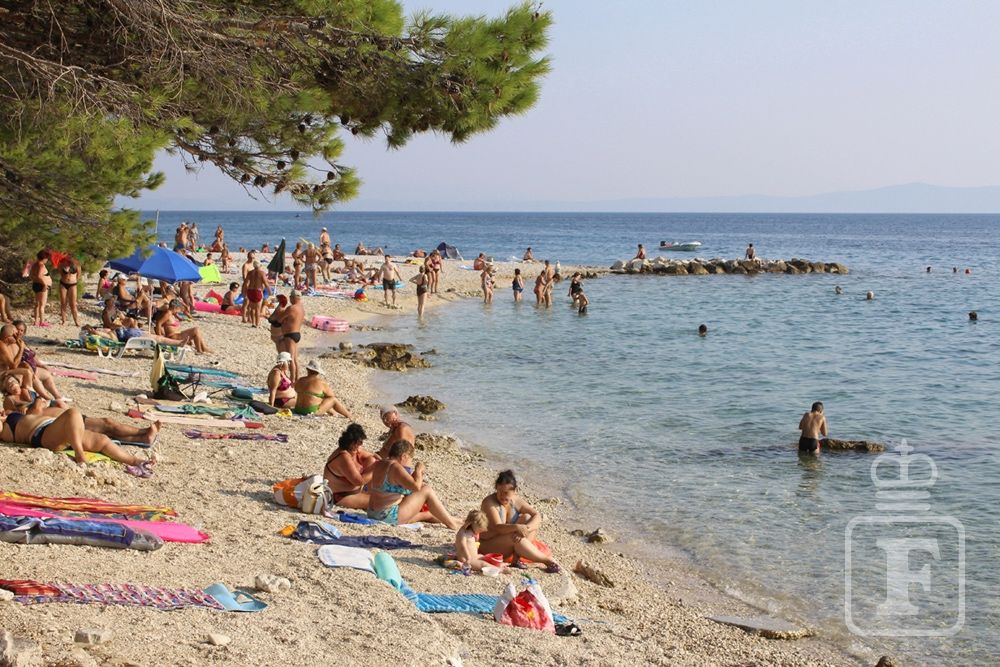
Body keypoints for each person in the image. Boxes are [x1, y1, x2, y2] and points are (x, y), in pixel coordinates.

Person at [0, 405, 154, 474]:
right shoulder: (7, 427)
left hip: (55, 428)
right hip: (42, 434)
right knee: (73, 413)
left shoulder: (11, 415)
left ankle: (134, 461)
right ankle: (79, 454)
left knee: (102, 440)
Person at [478, 470, 561, 573]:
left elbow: (537, 515)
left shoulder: (516, 500)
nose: (502, 496)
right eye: (499, 492)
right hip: (488, 545)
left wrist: (525, 530)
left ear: (515, 491)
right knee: (514, 537)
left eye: (506, 493)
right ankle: (547, 561)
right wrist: (517, 528)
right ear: (496, 488)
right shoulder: (489, 503)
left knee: (527, 518)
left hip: (508, 541)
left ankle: (516, 558)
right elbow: (498, 527)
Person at [366, 440, 460, 528]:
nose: (410, 464)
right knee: (426, 490)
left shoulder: (381, 463)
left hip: (373, 513)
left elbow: (400, 486)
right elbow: (416, 487)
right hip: (386, 516)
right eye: (410, 459)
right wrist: (418, 470)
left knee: (427, 514)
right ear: (404, 456)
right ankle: (452, 524)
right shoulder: (395, 467)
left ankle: (459, 521)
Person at [1, 323, 64, 406]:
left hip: (13, 371)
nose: (18, 335)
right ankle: (46, 398)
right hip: (4, 375)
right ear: (8, 336)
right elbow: (13, 365)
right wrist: (21, 348)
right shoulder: (2, 345)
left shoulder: (15, 342)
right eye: (16, 334)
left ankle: (57, 397)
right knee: (29, 374)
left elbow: (29, 355)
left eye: (21, 331)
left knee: (45, 374)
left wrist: (37, 365)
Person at [324, 423, 379, 509]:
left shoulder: (355, 450)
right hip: (340, 495)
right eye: (360, 442)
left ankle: (369, 491)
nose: (361, 445)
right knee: (381, 502)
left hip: (356, 491)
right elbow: (359, 481)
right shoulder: (343, 457)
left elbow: (373, 456)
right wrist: (375, 467)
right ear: (354, 443)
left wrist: (384, 463)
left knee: (371, 460)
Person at [278, 290, 305, 379]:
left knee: (291, 359)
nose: (289, 299)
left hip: (290, 335)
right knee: (295, 359)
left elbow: (280, 320)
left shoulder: (291, 308)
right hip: (297, 334)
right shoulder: (301, 308)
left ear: (294, 298)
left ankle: (292, 379)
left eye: (290, 297)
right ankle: (297, 378)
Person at [56, 255, 81, 326]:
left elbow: (78, 275)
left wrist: (73, 280)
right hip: (63, 284)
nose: (68, 261)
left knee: (73, 304)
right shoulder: (62, 264)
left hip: (73, 285)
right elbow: (61, 273)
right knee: (63, 303)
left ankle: (76, 321)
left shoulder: (77, 264)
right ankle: (64, 321)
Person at [28, 250, 52, 327]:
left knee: (37, 304)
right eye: (47, 258)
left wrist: (35, 280)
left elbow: (31, 275)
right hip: (42, 286)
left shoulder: (34, 265)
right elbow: (39, 276)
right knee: (42, 305)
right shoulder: (41, 265)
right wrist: (44, 284)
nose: (47, 260)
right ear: (44, 258)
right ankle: (42, 322)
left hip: (36, 285)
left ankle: (36, 321)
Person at [242, 261, 269, 327]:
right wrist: (270, 291)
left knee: (252, 308)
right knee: (257, 309)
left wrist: (244, 291)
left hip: (250, 290)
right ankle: (257, 324)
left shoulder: (250, 272)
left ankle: (253, 323)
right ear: (260, 266)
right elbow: (266, 283)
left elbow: (246, 283)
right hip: (257, 291)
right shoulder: (262, 273)